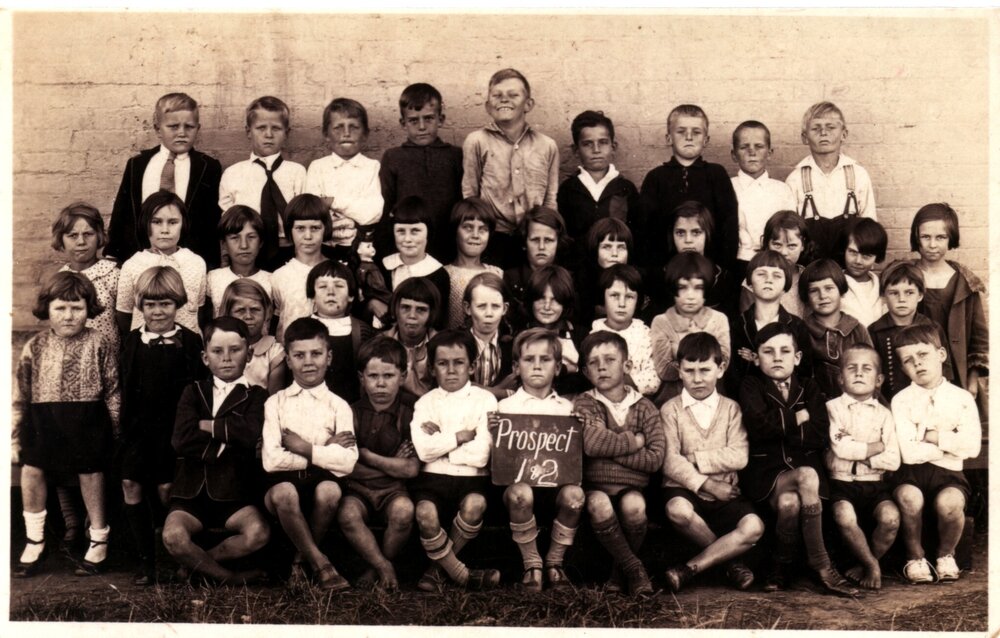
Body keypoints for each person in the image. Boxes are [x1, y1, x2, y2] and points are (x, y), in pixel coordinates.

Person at [12, 272, 120, 578]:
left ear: (89, 308)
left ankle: (98, 537)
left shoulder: (98, 342)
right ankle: (35, 539)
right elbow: (20, 395)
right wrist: (14, 436)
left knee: (90, 471)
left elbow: (113, 390)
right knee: (32, 468)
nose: (69, 316)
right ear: (47, 309)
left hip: (88, 419)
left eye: (77, 308)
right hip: (44, 420)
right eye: (60, 308)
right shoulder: (35, 346)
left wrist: (115, 431)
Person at [738, 323, 856, 596]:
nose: (777, 357)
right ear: (756, 358)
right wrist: (797, 418)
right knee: (807, 476)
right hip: (767, 473)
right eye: (768, 352)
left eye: (784, 351)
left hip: (803, 477)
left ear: (798, 357)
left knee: (790, 503)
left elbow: (819, 434)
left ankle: (780, 568)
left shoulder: (809, 387)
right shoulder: (751, 385)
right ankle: (822, 563)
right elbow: (757, 426)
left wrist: (780, 427)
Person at [163, 317, 271, 584]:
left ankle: (195, 565)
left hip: (234, 491)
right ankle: (229, 578)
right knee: (173, 536)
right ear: (205, 357)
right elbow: (181, 439)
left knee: (258, 533)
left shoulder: (258, 396)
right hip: (190, 492)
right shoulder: (193, 392)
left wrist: (206, 425)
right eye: (217, 351)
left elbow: (250, 432)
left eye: (235, 350)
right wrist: (226, 442)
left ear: (249, 354)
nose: (226, 358)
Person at [119, 265, 206, 585]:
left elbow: (199, 391)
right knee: (130, 484)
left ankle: (175, 557)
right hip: (138, 431)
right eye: (150, 304)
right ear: (140, 305)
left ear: (178, 303)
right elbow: (124, 388)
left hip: (174, 432)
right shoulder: (131, 342)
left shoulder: (191, 342)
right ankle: (146, 561)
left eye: (165, 304)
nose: (158, 311)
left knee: (167, 489)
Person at [262, 317, 358, 591]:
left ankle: (299, 561)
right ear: (288, 360)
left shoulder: (339, 406)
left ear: (329, 357)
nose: (308, 362)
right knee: (285, 493)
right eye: (299, 355)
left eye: (316, 353)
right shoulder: (275, 403)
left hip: (321, 485)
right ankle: (321, 565)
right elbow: (272, 460)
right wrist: (325, 449)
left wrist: (304, 448)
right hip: (282, 487)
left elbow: (348, 462)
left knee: (330, 490)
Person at [661, 333, 762, 592]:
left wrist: (694, 458)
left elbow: (739, 455)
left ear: (721, 368)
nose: (697, 379)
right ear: (679, 370)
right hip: (685, 489)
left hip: (726, 493)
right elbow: (670, 460)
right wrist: (707, 484)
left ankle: (690, 568)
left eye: (705, 370)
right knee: (677, 510)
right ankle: (731, 562)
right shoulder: (670, 410)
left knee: (754, 527)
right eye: (689, 370)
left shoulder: (731, 409)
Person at [491, 328, 586, 591]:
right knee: (520, 493)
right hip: (516, 495)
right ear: (516, 367)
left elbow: (573, 460)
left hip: (555, 491)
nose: (536, 366)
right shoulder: (503, 410)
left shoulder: (568, 410)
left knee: (575, 496)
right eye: (528, 359)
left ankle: (555, 562)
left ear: (558, 367)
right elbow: (497, 461)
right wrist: (491, 431)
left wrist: (581, 427)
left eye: (545, 359)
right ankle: (532, 564)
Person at [573, 331, 666, 596]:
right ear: (585, 371)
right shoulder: (586, 402)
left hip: (632, 487)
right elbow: (592, 445)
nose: (601, 367)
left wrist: (608, 447)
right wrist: (634, 442)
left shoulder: (645, 407)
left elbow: (655, 458)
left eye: (610, 359)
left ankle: (618, 573)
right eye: (593, 362)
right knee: (599, 505)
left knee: (635, 507)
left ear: (627, 365)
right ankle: (634, 569)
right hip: (596, 486)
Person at [410, 330, 501, 591]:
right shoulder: (425, 403)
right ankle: (462, 574)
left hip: (473, 479)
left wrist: (442, 444)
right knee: (424, 513)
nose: (451, 370)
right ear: (432, 368)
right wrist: (460, 436)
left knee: (475, 505)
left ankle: (436, 571)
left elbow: (481, 454)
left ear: (471, 366)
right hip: (432, 478)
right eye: (442, 363)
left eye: (459, 362)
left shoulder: (485, 400)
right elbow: (424, 451)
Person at [892, 324, 981, 584]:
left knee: (950, 504)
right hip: (911, 474)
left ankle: (945, 555)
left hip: (950, 475)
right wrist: (950, 442)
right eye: (908, 360)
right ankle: (915, 557)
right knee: (909, 498)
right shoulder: (901, 400)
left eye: (923, 355)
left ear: (941, 354)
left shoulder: (962, 398)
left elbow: (971, 447)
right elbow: (909, 453)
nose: (917, 363)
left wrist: (931, 436)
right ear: (903, 368)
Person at [106, 92, 222, 269]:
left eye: (189, 127)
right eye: (173, 126)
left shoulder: (208, 167)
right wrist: (113, 255)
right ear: (157, 129)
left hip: (189, 263)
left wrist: (211, 265)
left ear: (198, 128)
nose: (182, 133)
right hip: (142, 260)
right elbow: (122, 212)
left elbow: (212, 221)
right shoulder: (138, 165)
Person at [339, 337, 420, 590]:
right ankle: (383, 566)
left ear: (402, 376)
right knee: (347, 514)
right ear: (361, 378)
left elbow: (411, 469)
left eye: (388, 375)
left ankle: (376, 568)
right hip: (357, 490)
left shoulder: (411, 413)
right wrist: (392, 466)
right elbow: (347, 467)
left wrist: (366, 456)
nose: (381, 383)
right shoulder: (350, 412)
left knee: (404, 512)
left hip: (394, 491)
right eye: (373, 376)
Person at [462, 68, 559, 266]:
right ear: (488, 106)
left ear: (528, 104)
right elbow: (470, 194)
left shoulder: (547, 146)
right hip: (494, 238)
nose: (504, 100)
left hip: (534, 239)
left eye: (513, 95)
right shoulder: (477, 141)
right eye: (497, 95)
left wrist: (543, 233)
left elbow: (550, 200)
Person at [824, 344, 900, 590]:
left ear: (878, 380)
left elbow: (893, 459)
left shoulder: (885, 415)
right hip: (841, 482)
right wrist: (875, 447)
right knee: (844, 516)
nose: (858, 373)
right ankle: (872, 565)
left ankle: (866, 563)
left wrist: (862, 454)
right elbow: (841, 449)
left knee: (891, 519)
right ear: (840, 378)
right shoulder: (832, 408)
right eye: (851, 368)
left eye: (866, 369)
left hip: (875, 484)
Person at [639, 104, 738, 273]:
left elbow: (729, 225)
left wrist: (720, 268)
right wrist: (657, 270)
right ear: (669, 138)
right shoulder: (656, 178)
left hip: (709, 268)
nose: (689, 137)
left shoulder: (716, 174)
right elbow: (645, 230)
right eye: (681, 131)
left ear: (706, 139)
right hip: (667, 270)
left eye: (696, 132)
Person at [909, 203, 987, 401]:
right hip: (914, 372)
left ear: (951, 237)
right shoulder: (905, 277)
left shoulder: (965, 282)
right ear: (916, 237)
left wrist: (972, 380)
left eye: (940, 237)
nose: (932, 244)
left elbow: (979, 338)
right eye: (926, 237)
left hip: (957, 373)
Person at [218, 96, 307, 268]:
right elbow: (227, 222)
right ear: (248, 132)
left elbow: (305, 217)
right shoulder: (233, 173)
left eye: (276, 128)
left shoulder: (297, 172)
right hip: (248, 253)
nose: (268, 135)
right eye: (261, 128)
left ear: (287, 133)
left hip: (289, 250)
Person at [379, 82, 463, 261]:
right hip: (408, 247)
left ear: (441, 119)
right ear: (403, 123)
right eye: (413, 120)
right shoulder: (393, 157)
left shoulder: (455, 156)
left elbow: (464, 203)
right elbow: (386, 207)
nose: (422, 127)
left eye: (429, 118)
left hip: (449, 245)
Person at [785, 101, 876, 260]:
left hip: (849, 264)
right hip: (809, 264)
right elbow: (789, 233)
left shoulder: (858, 174)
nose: (823, 133)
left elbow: (870, 227)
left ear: (844, 134)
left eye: (831, 127)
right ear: (805, 137)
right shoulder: (795, 179)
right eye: (815, 128)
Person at [115, 190, 207, 334]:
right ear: (145, 224)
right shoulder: (133, 265)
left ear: (183, 224)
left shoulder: (196, 262)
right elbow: (124, 314)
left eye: (173, 222)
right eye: (156, 222)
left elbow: (199, 309)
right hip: (145, 343)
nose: (165, 230)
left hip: (187, 344)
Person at [557, 110, 640, 268]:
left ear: (613, 147)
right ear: (576, 150)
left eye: (603, 142)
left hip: (617, 269)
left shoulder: (625, 188)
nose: (596, 150)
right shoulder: (568, 190)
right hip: (579, 270)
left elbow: (636, 234)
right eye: (587, 144)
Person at [726, 249, 812, 398]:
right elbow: (732, 378)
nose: (769, 280)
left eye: (777, 275)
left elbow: (805, 375)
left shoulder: (797, 326)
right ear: (749, 283)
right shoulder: (737, 326)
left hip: (787, 404)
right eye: (761, 274)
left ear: (786, 286)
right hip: (747, 403)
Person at [651, 252, 731, 404]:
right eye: (682, 287)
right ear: (673, 288)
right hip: (672, 400)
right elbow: (664, 371)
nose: (690, 296)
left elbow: (724, 363)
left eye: (698, 288)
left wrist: (678, 349)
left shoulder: (718, 319)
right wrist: (705, 357)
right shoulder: (661, 321)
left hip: (712, 400)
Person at [306, 97, 384, 248]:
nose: (346, 133)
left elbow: (371, 214)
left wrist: (332, 202)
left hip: (363, 247)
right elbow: (313, 213)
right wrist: (355, 210)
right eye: (338, 127)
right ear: (326, 134)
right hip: (325, 247)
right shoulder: (317, 167)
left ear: (365, 134)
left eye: (354, 127)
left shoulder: (372, 167)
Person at [868, 261, 951, 401]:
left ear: (920, 295)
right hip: (888, 402)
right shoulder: (875, 332)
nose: (901, 299)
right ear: (883, 296)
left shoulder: (932, 328)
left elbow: (945, 370)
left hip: (930, 402)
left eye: (909, 293)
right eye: (894, 293)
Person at [729, 120, 796, 276]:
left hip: (775, 264)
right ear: (734, 155)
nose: (752, 152)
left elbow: (790, 230)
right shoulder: (727, 187)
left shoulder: (782, 190)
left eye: (759, 146)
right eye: (744, 147)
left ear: (770, 153)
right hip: (736, 264)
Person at [800, 258, 873, 399]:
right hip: (815, 404)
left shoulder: (857, 330)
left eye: (829, 288)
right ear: (806, 297)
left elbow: (870, 370)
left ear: (841, 291)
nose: (822, 296)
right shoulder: (802, 331)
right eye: (814, 290)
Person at [52, 201, 120, 350]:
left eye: (88, 234)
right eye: (73, 235)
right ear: (61, 239)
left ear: (99, 236)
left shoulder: (113, 275)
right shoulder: (60, 279)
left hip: (108, 357)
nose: (81, 242)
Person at [307, 260, 374, 404]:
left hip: (351, 406)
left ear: (351, 295)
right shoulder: (302, 329)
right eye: (322, 286)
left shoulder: (362, 331)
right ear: (312, 296)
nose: (331, 292)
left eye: (339, 286)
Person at [379, 195, 450, 329]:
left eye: (415, 231)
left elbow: (438, 321)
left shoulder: (438, 274)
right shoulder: (384, 266)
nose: (407, 239)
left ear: (428, 232)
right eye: (401, 231)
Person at [589, 264, 660, 398]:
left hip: (638, 400)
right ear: (603, 298)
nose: (622, 304)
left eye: (629, 297)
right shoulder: (594, 334)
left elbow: (653, 377)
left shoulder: (645, 335)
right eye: (614, 295)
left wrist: (623, 383)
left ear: (638, 300)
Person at [270, 193, 332, 342]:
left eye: (315, 228)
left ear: (325, 228)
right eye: (300, 228)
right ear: (289, 230)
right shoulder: (279, 276)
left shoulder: (336, 272)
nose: (308, 236)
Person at [739, 211, 815, 317]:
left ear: (803, 245)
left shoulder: (808, 278)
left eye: (792, 246)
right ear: (766, 243)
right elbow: (747, 321)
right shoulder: (754, 279)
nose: (784, 252)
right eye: (777, 245)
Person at [443, 197, 503, 329]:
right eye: (468, 228)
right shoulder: (444, 275)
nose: (475, 235)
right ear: (455, 230)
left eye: (482, 229)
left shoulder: (497, 274)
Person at [503, 206, 567, 328]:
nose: (541, 247)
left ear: (558, 242)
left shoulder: (568, 279)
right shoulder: (510, 279)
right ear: (524, 242)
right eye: (535, 240)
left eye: (548, 240)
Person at [220, 278, 286, 395]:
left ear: (267, 312)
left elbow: (273, 399)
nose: (248, 316)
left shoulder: (274, 353)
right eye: (240, 310)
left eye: (255, 309)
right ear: (228, 313)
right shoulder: (218, 349)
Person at [206, 205, 272, 317]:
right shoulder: (213, 278)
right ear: (224, 244)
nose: (244, 245)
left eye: (251, 237)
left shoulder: (271, 280)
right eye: (235, 238)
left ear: (261, 242)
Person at [382, 277, 440, 398]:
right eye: (405, 307)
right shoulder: (380, 343)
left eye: (421, 310)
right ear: (395, 309)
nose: (412, 315)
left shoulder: (441, 345)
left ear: (431, 314)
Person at [463, 272, 517, 399]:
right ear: (468, 308)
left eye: (496, 306)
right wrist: (499, 391)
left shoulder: (513, 346)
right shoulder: (455, 344)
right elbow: (457, 388)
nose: (489, 313)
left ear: (504, 309)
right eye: (481, 306)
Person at [836, 218, 888, 328]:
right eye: (853, 252)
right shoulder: (834, 284)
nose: (858, 261)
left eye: (866, 256)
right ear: (844, 250)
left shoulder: (883, 287)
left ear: (877, 257)